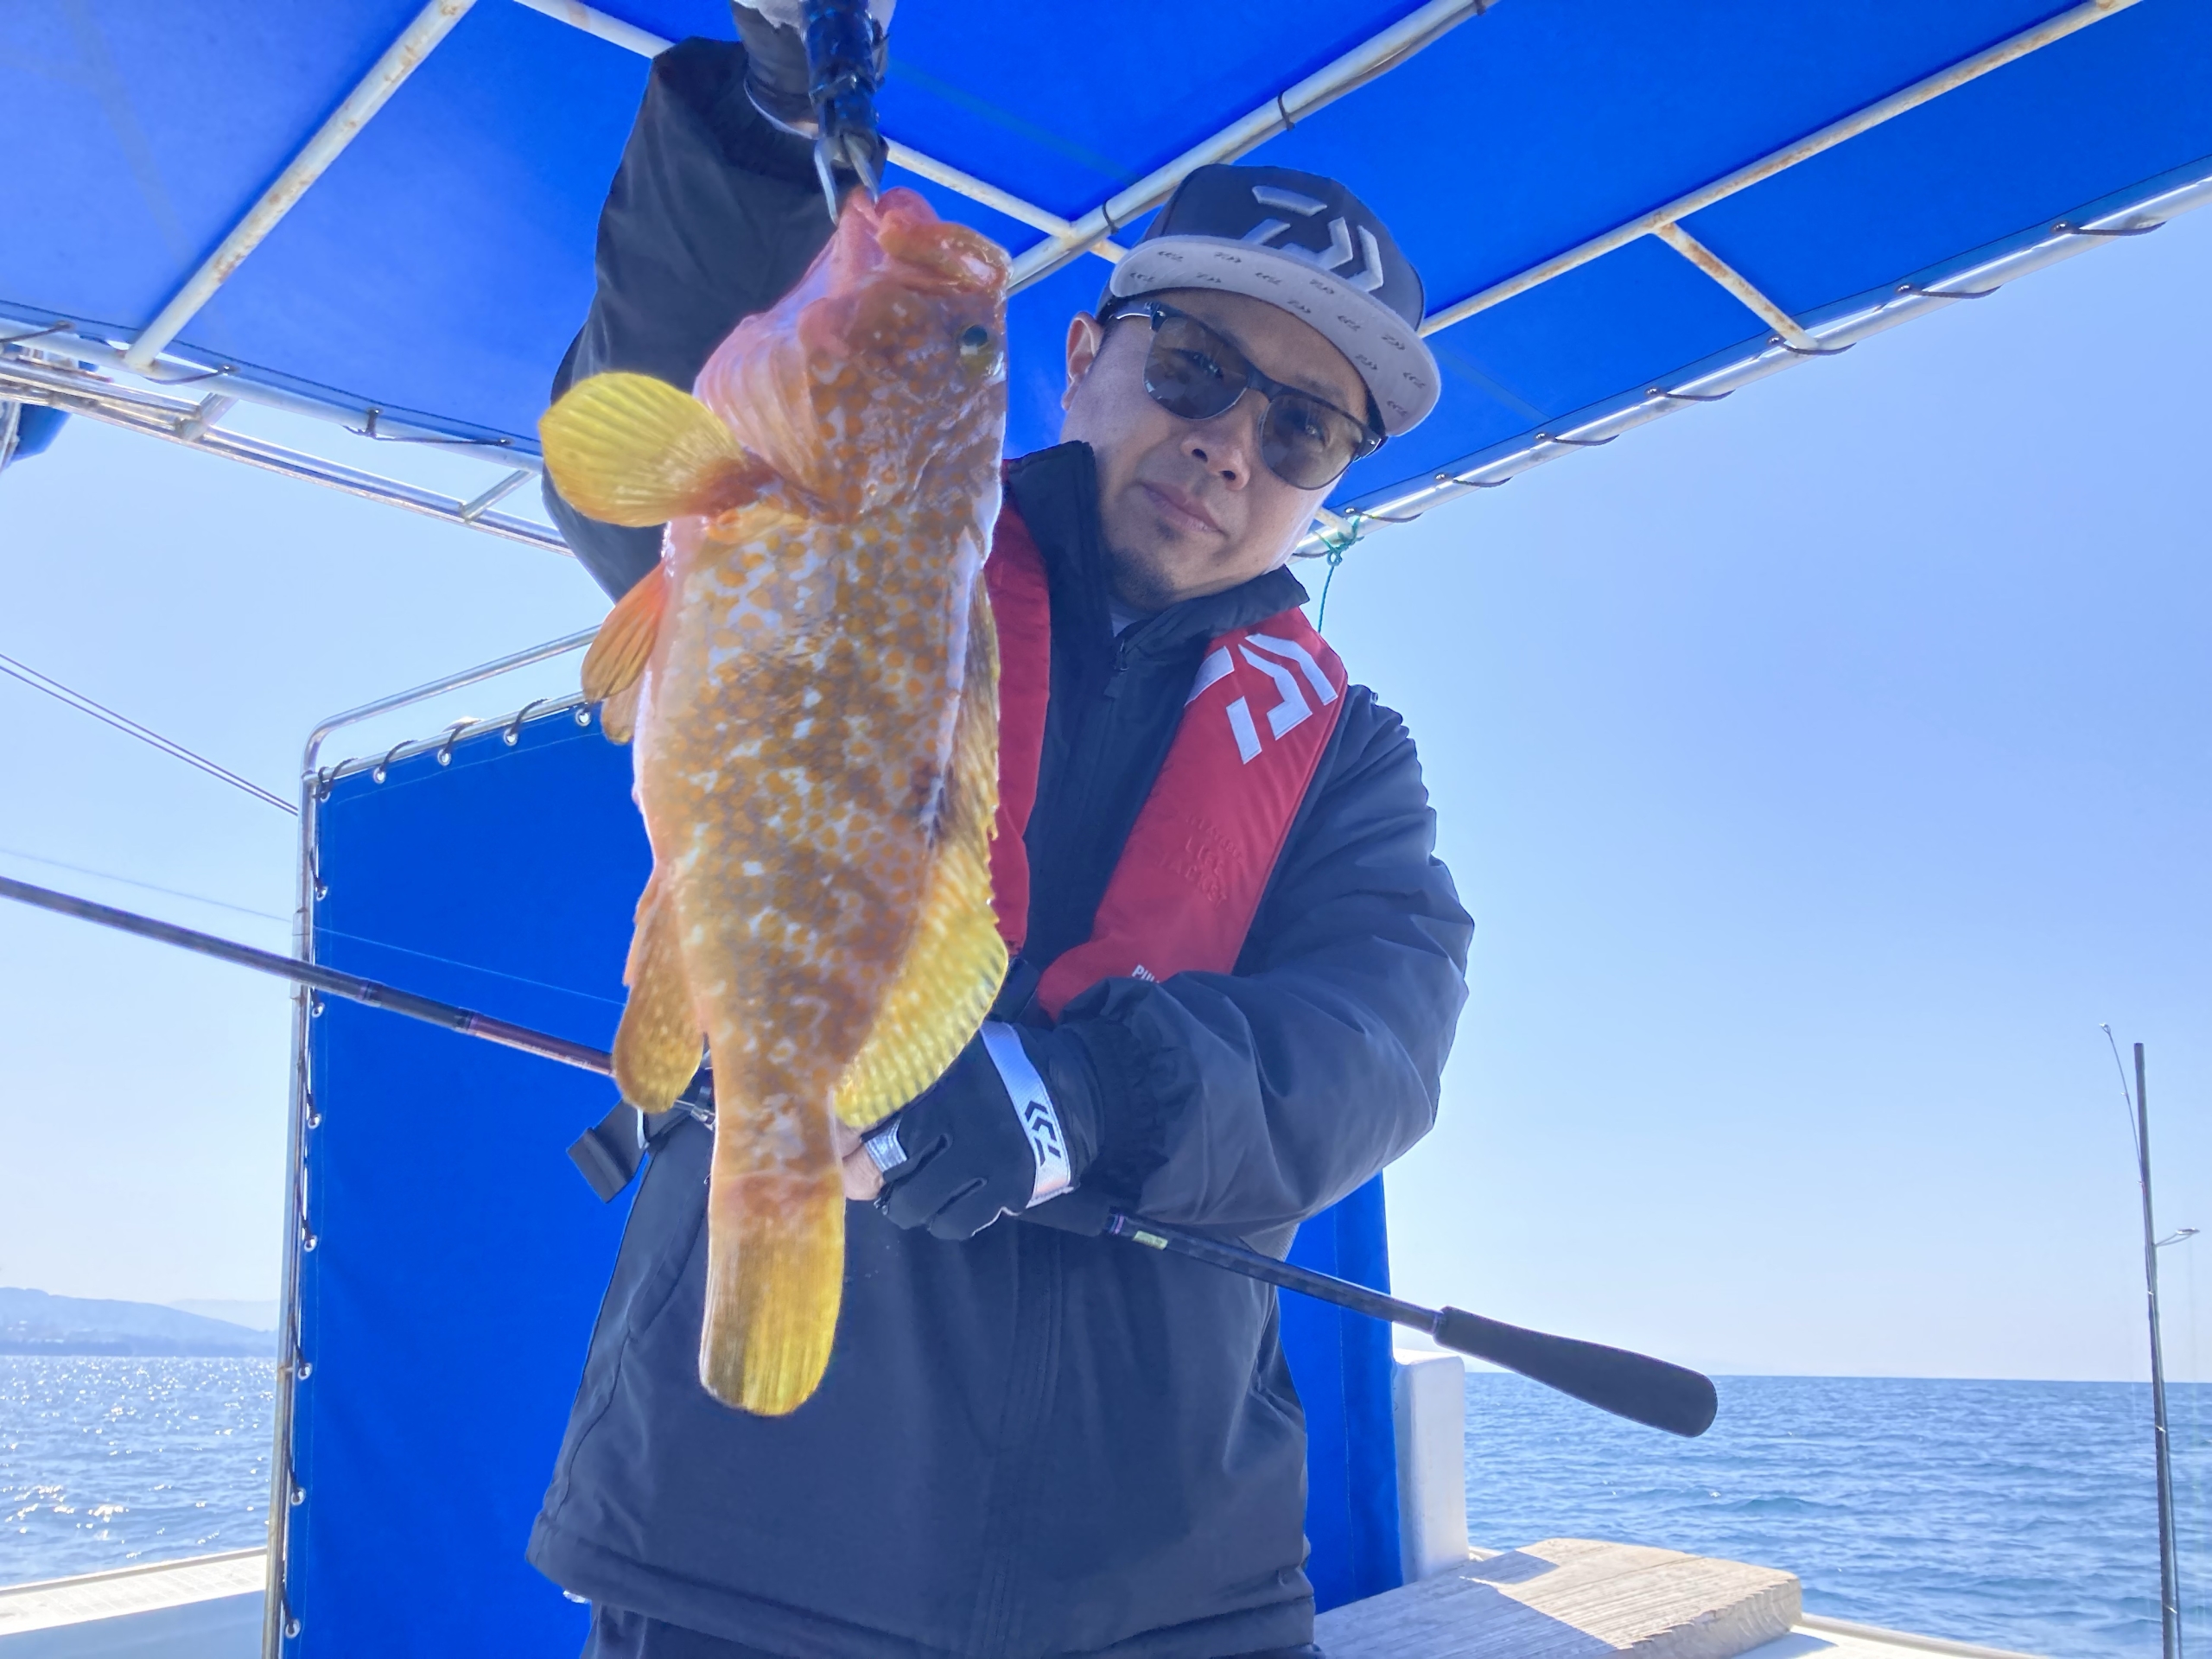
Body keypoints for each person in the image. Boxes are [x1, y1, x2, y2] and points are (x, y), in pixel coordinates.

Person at [530, 12, 1472, 1658]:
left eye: (1302, 431)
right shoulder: (865, 527)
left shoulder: (1347, 757)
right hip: (749, 1539)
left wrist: (1082, 1097)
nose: (1230, 445)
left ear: (1328, 480)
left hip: (1167, 1584)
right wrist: (769, 120)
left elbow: (1380, 1042)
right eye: (1195, 369)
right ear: (1085, 354)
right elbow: (679, 401)